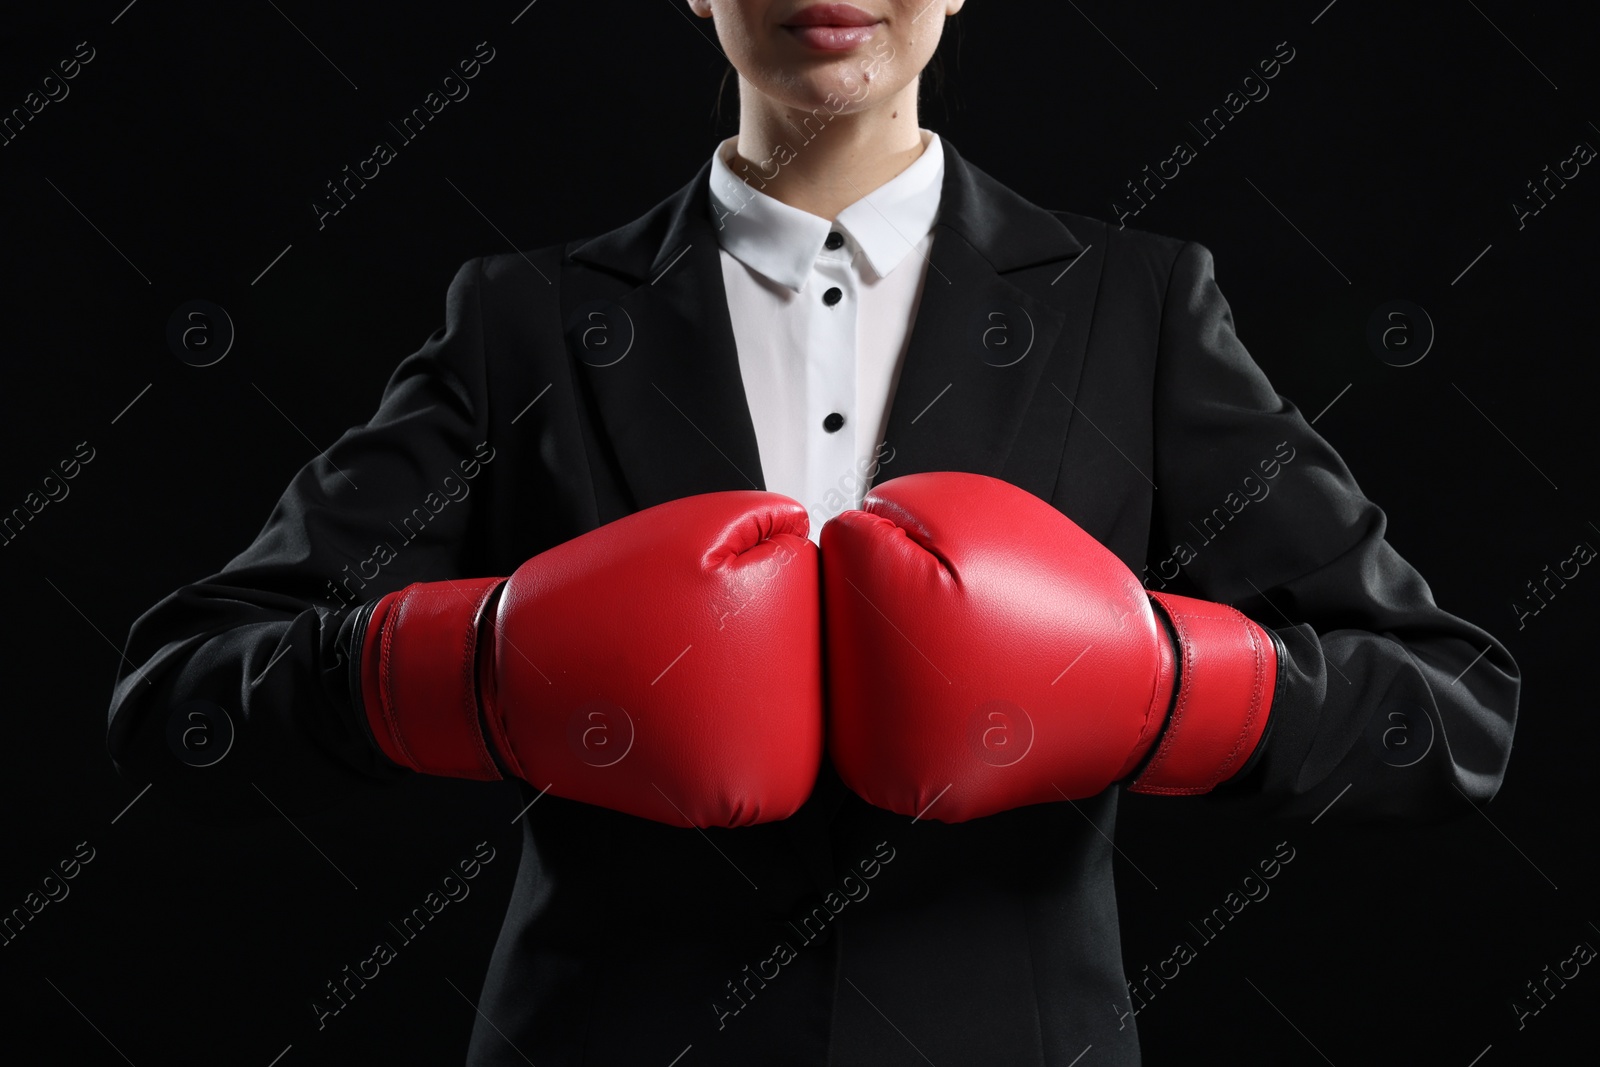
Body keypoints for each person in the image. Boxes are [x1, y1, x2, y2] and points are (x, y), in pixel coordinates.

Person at [107, 2, 1520, 1064]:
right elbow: (181, 701)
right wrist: (475, 672)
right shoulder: (524, 320)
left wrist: (1159, 690)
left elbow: (1451, 715)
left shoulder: (1134, 308)